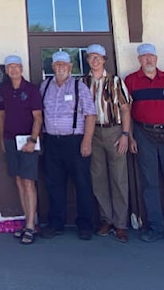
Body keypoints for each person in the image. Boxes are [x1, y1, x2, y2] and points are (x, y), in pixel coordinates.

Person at [124, 43, 164, 246]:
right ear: (139, 60)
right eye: (144, 57)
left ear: (156, 59)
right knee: (149, 183)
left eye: (151, 56)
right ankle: (155, 227)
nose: (148, 60)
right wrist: (131, 137)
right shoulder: (131, 81)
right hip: (143, 134)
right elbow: (128, 112)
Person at [40, 50, 96, 240]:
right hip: (51, 142)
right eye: (57, 65)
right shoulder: (45, 86)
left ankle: (85, 225)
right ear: (53, 67)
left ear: (70, 68)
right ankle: (56, 224)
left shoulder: (80, 87)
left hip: (75, 141)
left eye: (64, 64)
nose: (61, 67)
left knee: (82, 183)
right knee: (54, 184)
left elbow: (90, 114)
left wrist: (87, 141)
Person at [82, 44, 132, 242]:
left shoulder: (115, 81)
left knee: (119, 178)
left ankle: (121, 224)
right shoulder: (83, 82)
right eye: (91, 57)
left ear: (104, 60)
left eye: (98, 57)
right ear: (87, 60)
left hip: (113, 131)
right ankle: (107, 219)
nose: (94, 61)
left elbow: (126, 109)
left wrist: (125, 134)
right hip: (93, 133)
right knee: (98, 179)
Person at [0, 54, 42, 245]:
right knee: (18, 181)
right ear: (7, 70)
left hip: (28, 141)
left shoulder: (31, 89)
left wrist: (33, 140)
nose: (13, 70)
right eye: (10, 67)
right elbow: (1, 116)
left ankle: (32, 225)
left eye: (16, 67)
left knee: (28, 183)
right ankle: (26, 221)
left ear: (22, 69)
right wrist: (1, 139)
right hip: (10, 140)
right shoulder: (5, 89)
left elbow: (38, 117)